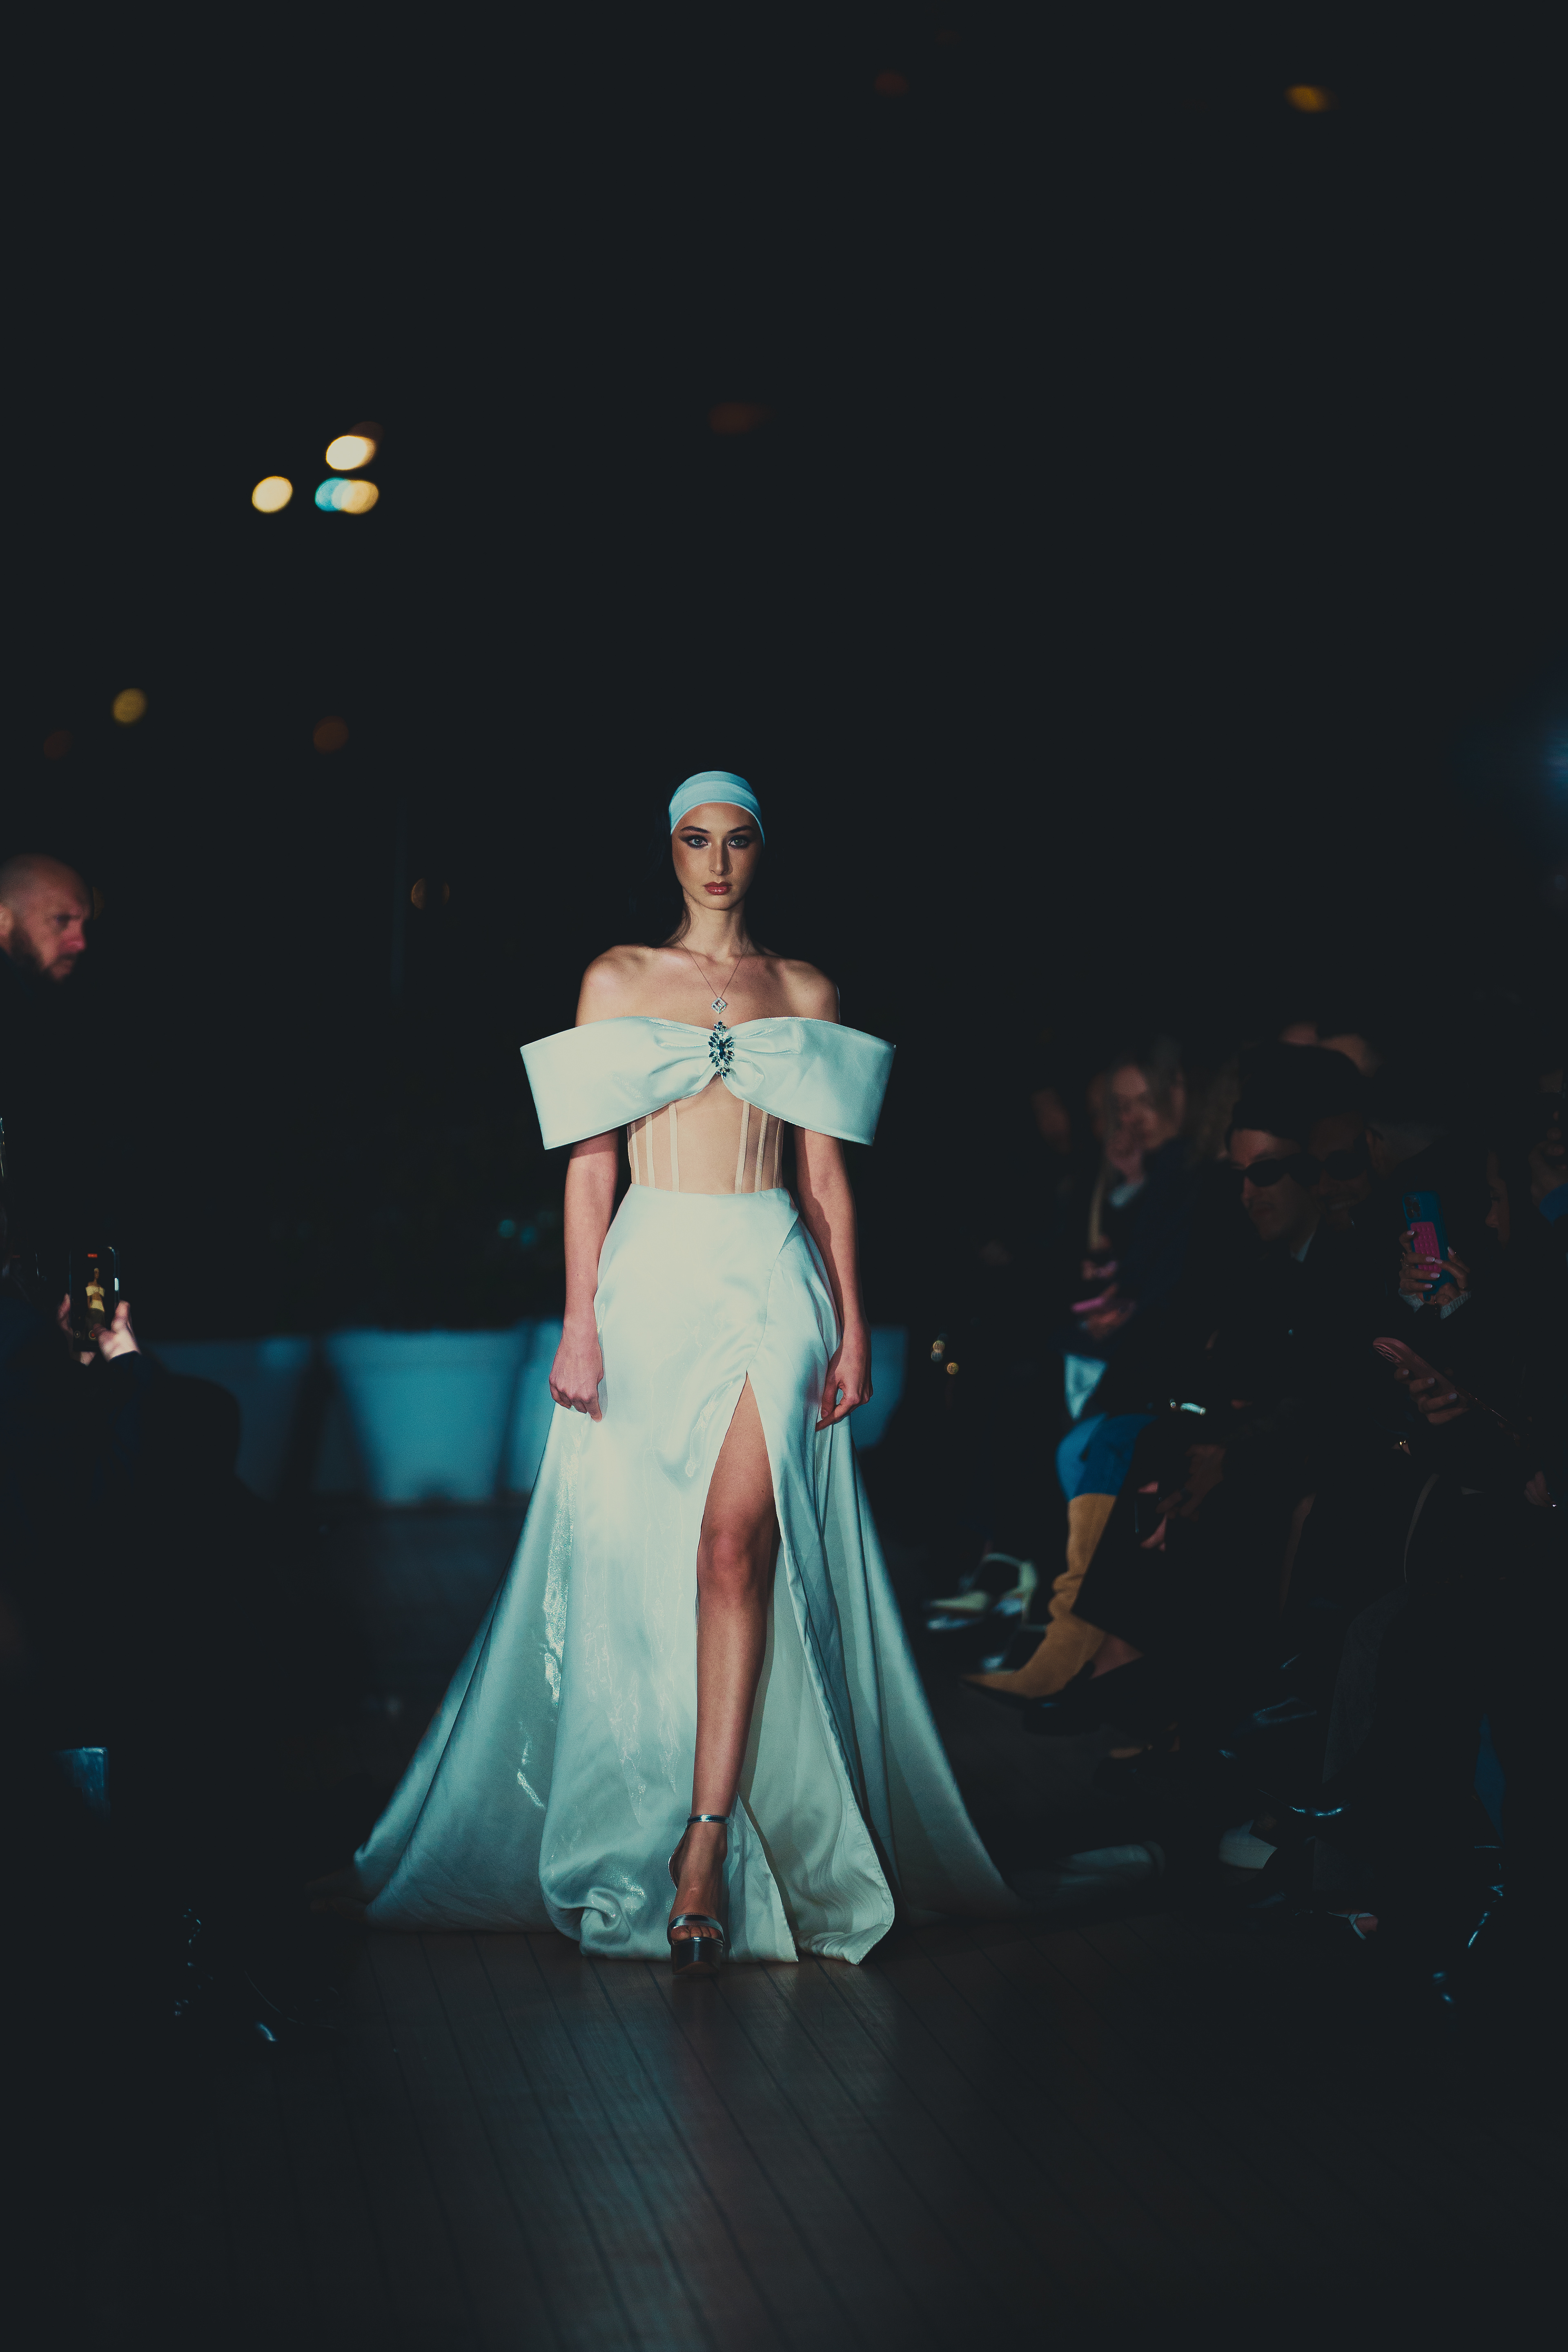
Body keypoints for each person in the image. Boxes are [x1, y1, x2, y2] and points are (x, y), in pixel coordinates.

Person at [332, 771, 1016, 1971]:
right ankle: (665, 1808)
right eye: (697, 839)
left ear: (763, 851)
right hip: (648, 1274)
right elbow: (590, 1164)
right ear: (670, 849)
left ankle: (704, 1846)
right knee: (644, 1551)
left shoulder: (805, 990)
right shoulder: (616, 978)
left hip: (773, 1273)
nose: (717, 861)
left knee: (732, 1543)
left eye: (738, 840)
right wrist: (579, 1321)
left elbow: (826, 1176)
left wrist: (854, 1326)